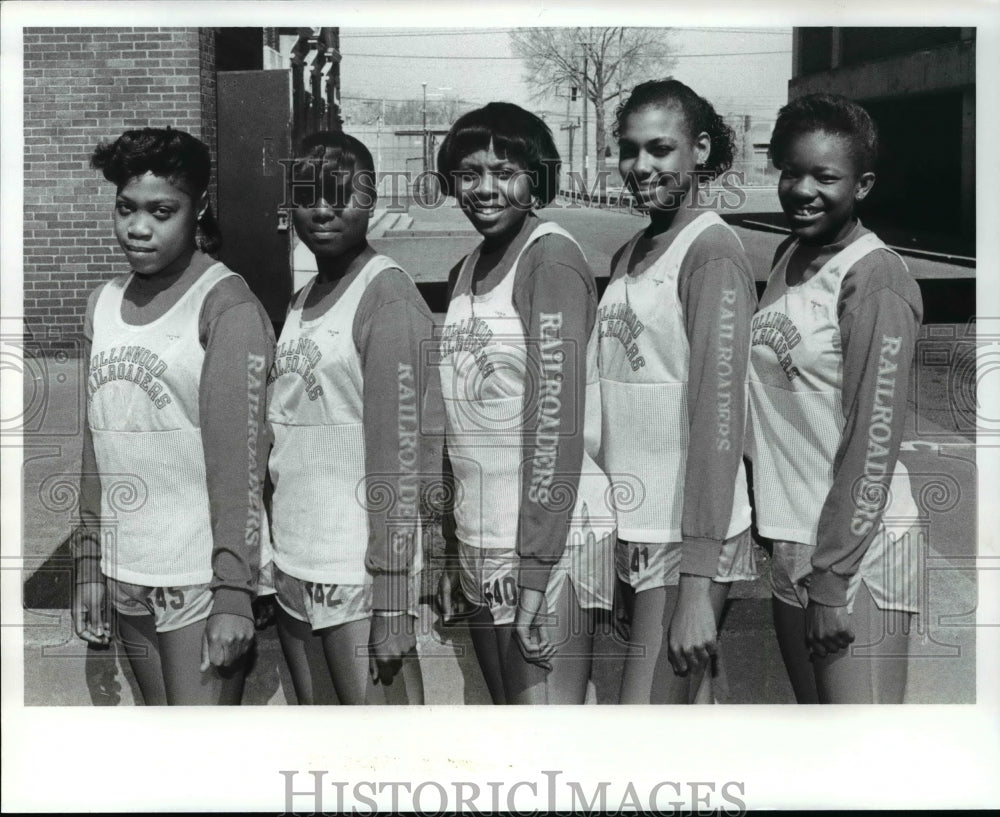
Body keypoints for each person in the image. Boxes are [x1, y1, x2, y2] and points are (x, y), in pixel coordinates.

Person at [71, 126, 274, 705]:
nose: (139, 228)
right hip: (126, 566)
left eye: (162, 211)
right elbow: (97, 442)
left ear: (199, 208)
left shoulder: (225, 305)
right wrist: (90, 560)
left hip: (197, 577)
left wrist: (234, 591)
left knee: (201, 761)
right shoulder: (103, 302)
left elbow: (242, 459)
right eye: (126, 209)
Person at [434, 102, 616, 704]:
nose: (484, 188)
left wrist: (535, 571)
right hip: (482, 534)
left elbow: (556, 426)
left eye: (505, 170)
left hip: (544, 541)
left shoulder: (551, 257)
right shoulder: (467, 267)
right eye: (468, 173)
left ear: (536, 178)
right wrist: (449, 543)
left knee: (547, 735)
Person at [748, 93, 923, 703]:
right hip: (792, 539)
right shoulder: (787, 255)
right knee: (819, 746)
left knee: (865, 760)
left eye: (826, 176)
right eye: (791, 171)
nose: (803, 189)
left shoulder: (876, 279)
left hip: (855, 555)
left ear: (863, 183)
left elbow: (873, 441)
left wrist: (832, 578)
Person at [597, 79, 758, 704]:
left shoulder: (712, 252)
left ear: (700, 149)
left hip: (687, 540)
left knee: (643, 732)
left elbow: (719, 423)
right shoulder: (631, 250)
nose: (642, 167)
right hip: (635, 531)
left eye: (660, 149)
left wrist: (697, 585)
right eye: (630, 150)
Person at [267, 129, 428, 705]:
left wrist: (392, 598)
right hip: (295, 557)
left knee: (387, 759)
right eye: (309, 194)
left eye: (344, 194)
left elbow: (400, 458)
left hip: (357, 570)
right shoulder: (303, 298)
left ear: (373, 199)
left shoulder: (387, 299)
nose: (325, 209)